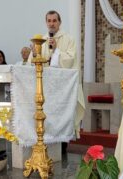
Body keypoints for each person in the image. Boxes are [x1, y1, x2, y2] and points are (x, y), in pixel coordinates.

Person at [28, 10, 85, 153]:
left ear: (59, 22)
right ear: (46, 22)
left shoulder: (68, 39)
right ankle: (46, 145)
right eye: (49, 21)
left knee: (62, 117)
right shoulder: (40, 40)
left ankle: (63, 148)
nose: (51, 23)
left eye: (54, 20)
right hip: (47, 88)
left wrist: (56, 50)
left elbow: (71, 60)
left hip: (63, 89)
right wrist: (34, 54)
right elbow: (33, 63)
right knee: (48, 117)